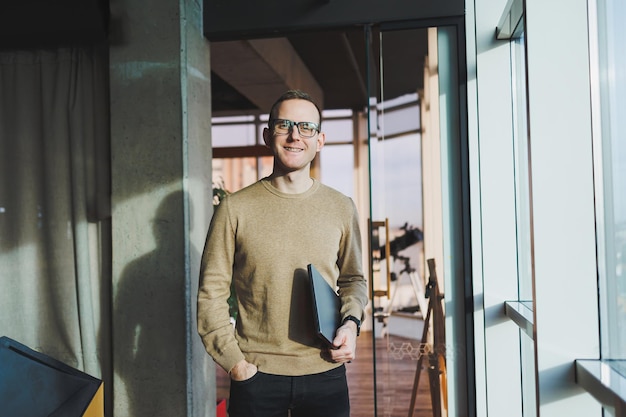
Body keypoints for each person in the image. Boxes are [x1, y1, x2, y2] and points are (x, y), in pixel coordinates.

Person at [197, 89, 368, 417]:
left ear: (320, 140)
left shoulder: (341, 207)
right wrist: (235, 365)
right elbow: (211, 294)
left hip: (326, 371)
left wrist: (350, 324)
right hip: (256, 376)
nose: (294, 136)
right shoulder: (235, 208)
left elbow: (354, 279)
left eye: (306, 127)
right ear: (267, 135)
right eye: (284, 125)